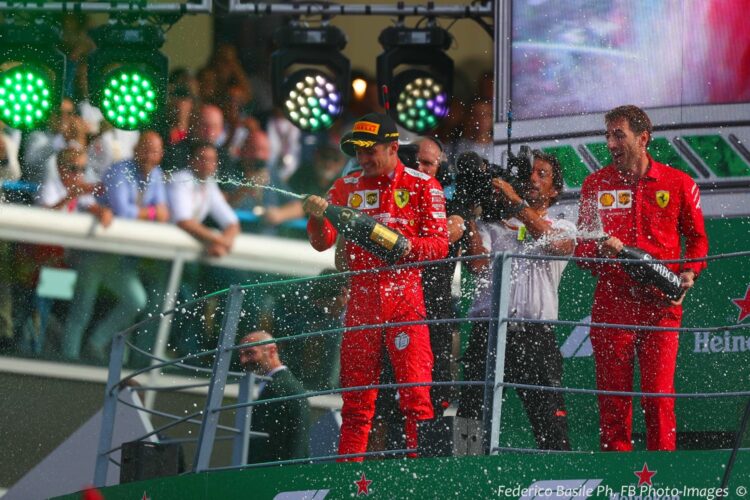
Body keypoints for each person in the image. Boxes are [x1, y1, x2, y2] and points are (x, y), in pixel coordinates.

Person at [303, 113, 449, 461]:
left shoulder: (424, 185)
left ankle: (420, 476)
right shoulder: (345, 186)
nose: (363, 158)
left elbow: (440, 246)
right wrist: (316, 216)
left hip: (406, 302)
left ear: (393, 147)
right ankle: (347, 477)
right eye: (358, 152)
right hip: (362, 302)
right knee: (355, 403)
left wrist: (405, 247)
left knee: (416, 397)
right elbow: (322, 243)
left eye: (370, 151)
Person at [576, 105, 708, 452]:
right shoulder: (595, 184)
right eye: (607, 136)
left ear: (643, 138)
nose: (610, 144)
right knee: (613, 401)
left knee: (659, 398)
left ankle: (663, 473)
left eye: (618, 135)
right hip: (613, 305)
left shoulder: (678, 183)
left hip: (661, 306)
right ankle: (616, 473)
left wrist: (689, 272)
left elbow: (697, 240)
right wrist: (599, 251)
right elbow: (581, 251)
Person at [457, 150, 575, 451]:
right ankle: (462, 476)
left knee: (551, 425)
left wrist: (517, 204)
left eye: (542, 174)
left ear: (555, 190)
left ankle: (560, 477)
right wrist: (469, 213)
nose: (532, 179)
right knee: (469, 427)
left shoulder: (563, 226)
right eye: (529, 173)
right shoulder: (493, 225)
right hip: (487, 334)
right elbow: (477, 264)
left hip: (535, 336)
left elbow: (555, 245)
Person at [61, 131, 169, 362]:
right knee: (81, 309)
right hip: (95, 251)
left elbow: (164, 213)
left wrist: (149, 213)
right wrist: (151, 213)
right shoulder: (119, 170)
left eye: (155, 151)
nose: (150, 155)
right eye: (146, 149)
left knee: (136, 301)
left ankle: (96, 343)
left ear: (161, 155)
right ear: (136, 149)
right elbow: (123, 213)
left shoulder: (157, 175)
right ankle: (67, 360)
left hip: (119, 258)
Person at [238, 330, 310, 464]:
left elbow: (268, 445)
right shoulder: (284, 385)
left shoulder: (279, 388)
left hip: (272, 471)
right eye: (241, 355)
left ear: (272, 351)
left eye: (250, 353)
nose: (243, 360)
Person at [167, 141, 240, 257]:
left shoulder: (210, 183)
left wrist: (223, 242)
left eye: (212, 160)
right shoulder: (180, 179)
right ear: (191, 161)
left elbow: (232, 223)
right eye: (202, 159)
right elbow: (183, 221)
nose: (207, 164)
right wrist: (219, 240)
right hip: (163, 245)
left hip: (182, 248)